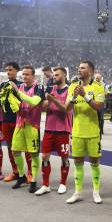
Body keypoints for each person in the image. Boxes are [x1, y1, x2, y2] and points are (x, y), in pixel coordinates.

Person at [65, 60, 105, 204]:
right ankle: (77, 192)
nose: (79, 69)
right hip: (77, 132)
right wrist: (75, 96)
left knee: (94, 162)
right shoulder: (72, 87)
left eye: (83, 68)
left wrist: (85, 96)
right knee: (78, 162)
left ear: (91, 71)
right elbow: (67, 109)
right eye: (79, 67)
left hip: (93, 132)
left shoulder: (98, 87)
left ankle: (96, 191)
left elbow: (99, 107)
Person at [35, 67, 72, 196]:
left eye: (57, 75)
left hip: (63, 130)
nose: (54, 77)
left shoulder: (70, 90)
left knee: (64, 157)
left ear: (64, 75)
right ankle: (46, 185)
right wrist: (45, 100)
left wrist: (53, 100)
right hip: (49, 128)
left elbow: (66, 109)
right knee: (44, 156)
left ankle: (63, 183)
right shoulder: (50, 89)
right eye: (54, 75)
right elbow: (43, 108)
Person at [9, 65, 45, 192]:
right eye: (23, 74)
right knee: (15, 151)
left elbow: (34, 102)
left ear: (33, 76)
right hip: (19, 124)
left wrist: (17, 93)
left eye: (27, 74)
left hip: (32, 126)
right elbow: (15, 104)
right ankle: (21, 176)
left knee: (34, 154)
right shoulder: (19, 87)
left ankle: (34, 180)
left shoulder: (39, 87)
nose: (24, 76)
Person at [0, 62, 32, 183]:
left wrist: (15, 89)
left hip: (19, 120)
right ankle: (16, 171)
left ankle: (30, 173)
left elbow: (25, 101)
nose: (8, 72)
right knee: (10, 148)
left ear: (17, 71)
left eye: (11, 70)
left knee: (27, 148)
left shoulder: (22, 85)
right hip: (6, 120)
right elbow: (0, 103)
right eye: (7, 70)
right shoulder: (3, 85)